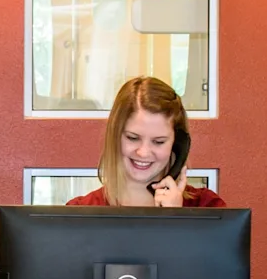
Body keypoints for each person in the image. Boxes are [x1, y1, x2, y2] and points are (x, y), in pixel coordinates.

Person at [64, 76, 228, 208]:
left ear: (178, 145)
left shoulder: (208, 207)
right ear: (115, 135)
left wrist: (178, 221)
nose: (143, 152)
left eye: (158, 142)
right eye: (132, 138)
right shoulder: (79, 211)